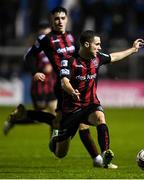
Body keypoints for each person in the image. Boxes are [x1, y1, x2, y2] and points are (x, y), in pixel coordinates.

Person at [3, 6, 105, 168]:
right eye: (56, 18)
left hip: (76, 83)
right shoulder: (45, 39)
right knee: (80, 120)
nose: (60, 21)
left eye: (63, 18)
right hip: (62, 86)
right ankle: (97, 158)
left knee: (60, 121)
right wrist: (35, 71)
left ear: (67, 19)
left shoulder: (73, 36)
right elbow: (29, 56)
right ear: (52, 19)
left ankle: (27, 116)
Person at [49, 30, 144, 168]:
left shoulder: (97, 58)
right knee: (60, 153)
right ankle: (56, 138)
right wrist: (72, 91)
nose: (100, 47)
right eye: (97, 44)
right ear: (87, 44)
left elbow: (114, 57)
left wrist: (133, 50)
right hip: (72, 109)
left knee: (100, 117)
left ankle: (105, 155)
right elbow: (64, 82)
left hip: (90, 105)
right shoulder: (69, 60)